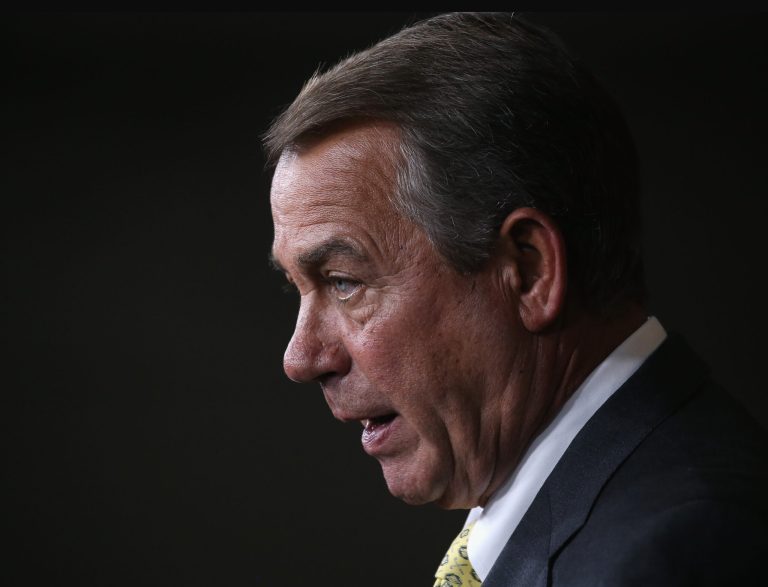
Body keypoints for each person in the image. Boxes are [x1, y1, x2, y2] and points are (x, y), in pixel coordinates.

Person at [264, 12, 767, 586]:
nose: (300, 358)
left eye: (343, 281)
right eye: (298, 288)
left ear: (528, 271)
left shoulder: (680, 552)